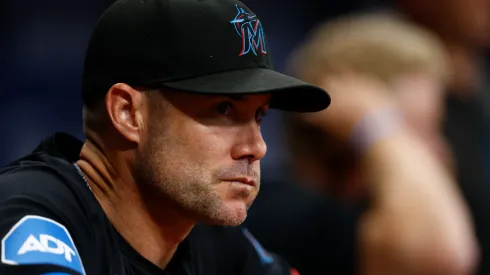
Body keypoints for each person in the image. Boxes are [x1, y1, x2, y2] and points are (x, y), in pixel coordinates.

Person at [0, 0, 331, 274]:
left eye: (260, 116)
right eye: (224, 109)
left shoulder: (212, 243)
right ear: (128, 113)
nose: (257, 147)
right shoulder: (28, 215)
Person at [246, 13, 479, 275]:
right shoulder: (287, 213)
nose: (440, 149)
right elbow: (442, 257)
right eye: (417, 132)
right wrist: (377, 123)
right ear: (349, 129)